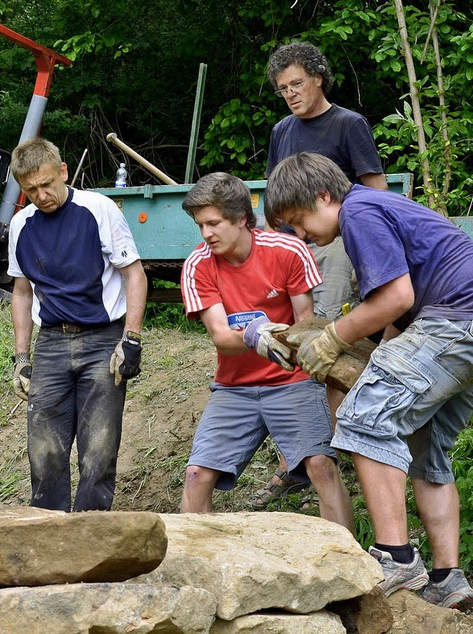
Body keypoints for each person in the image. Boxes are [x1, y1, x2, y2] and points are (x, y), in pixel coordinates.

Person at [264, 151, 473, 611]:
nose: (301, 235)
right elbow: (399, 311)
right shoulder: (380, 207)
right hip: (459, 325)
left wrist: (333, 338)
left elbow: (397, 296)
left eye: (299, 220)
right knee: (424, 440)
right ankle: (447, 578)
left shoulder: (359, 211)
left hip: (457, 321)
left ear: (324, 194)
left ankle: (396, 558)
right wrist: (377, 358)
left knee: (363, 416)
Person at [178, 171, 354, 533]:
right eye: (200, 225)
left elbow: (306, 327)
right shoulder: (198, 264)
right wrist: (254, 336)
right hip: (234, 387)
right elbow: (220, 335)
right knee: (196, 474)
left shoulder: (287, 250)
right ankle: (191, 568)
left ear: (242, 218)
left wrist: (281, 342)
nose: (206, 233)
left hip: (293, 382)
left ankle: (354, 567)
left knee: (321, 465)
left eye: (213, 223)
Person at [255, 41, 388, 509]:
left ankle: (334, 455)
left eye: (296, 83)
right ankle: (305, 457)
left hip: (337, 249)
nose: (290, 94)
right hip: (292, 249)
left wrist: (365, 253)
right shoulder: (281, 130)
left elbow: (375, 193)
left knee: (325, 343)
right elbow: (274, 202)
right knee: (288, 343)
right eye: (282, 88)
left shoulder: (349, 124)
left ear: (318, 78)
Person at [7, 137, 147, 512]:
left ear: (63, 171)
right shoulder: (21, 225)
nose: (41, 195)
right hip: (51, 342)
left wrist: (131, 339)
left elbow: (135, 275)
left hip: (102, 339)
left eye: (47, 184)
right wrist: (20, 358)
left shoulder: (98, 209)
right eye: (31, 189)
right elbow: (22, 292)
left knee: (99, 450)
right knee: (44, 449)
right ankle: (48, 530)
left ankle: (91, 532)